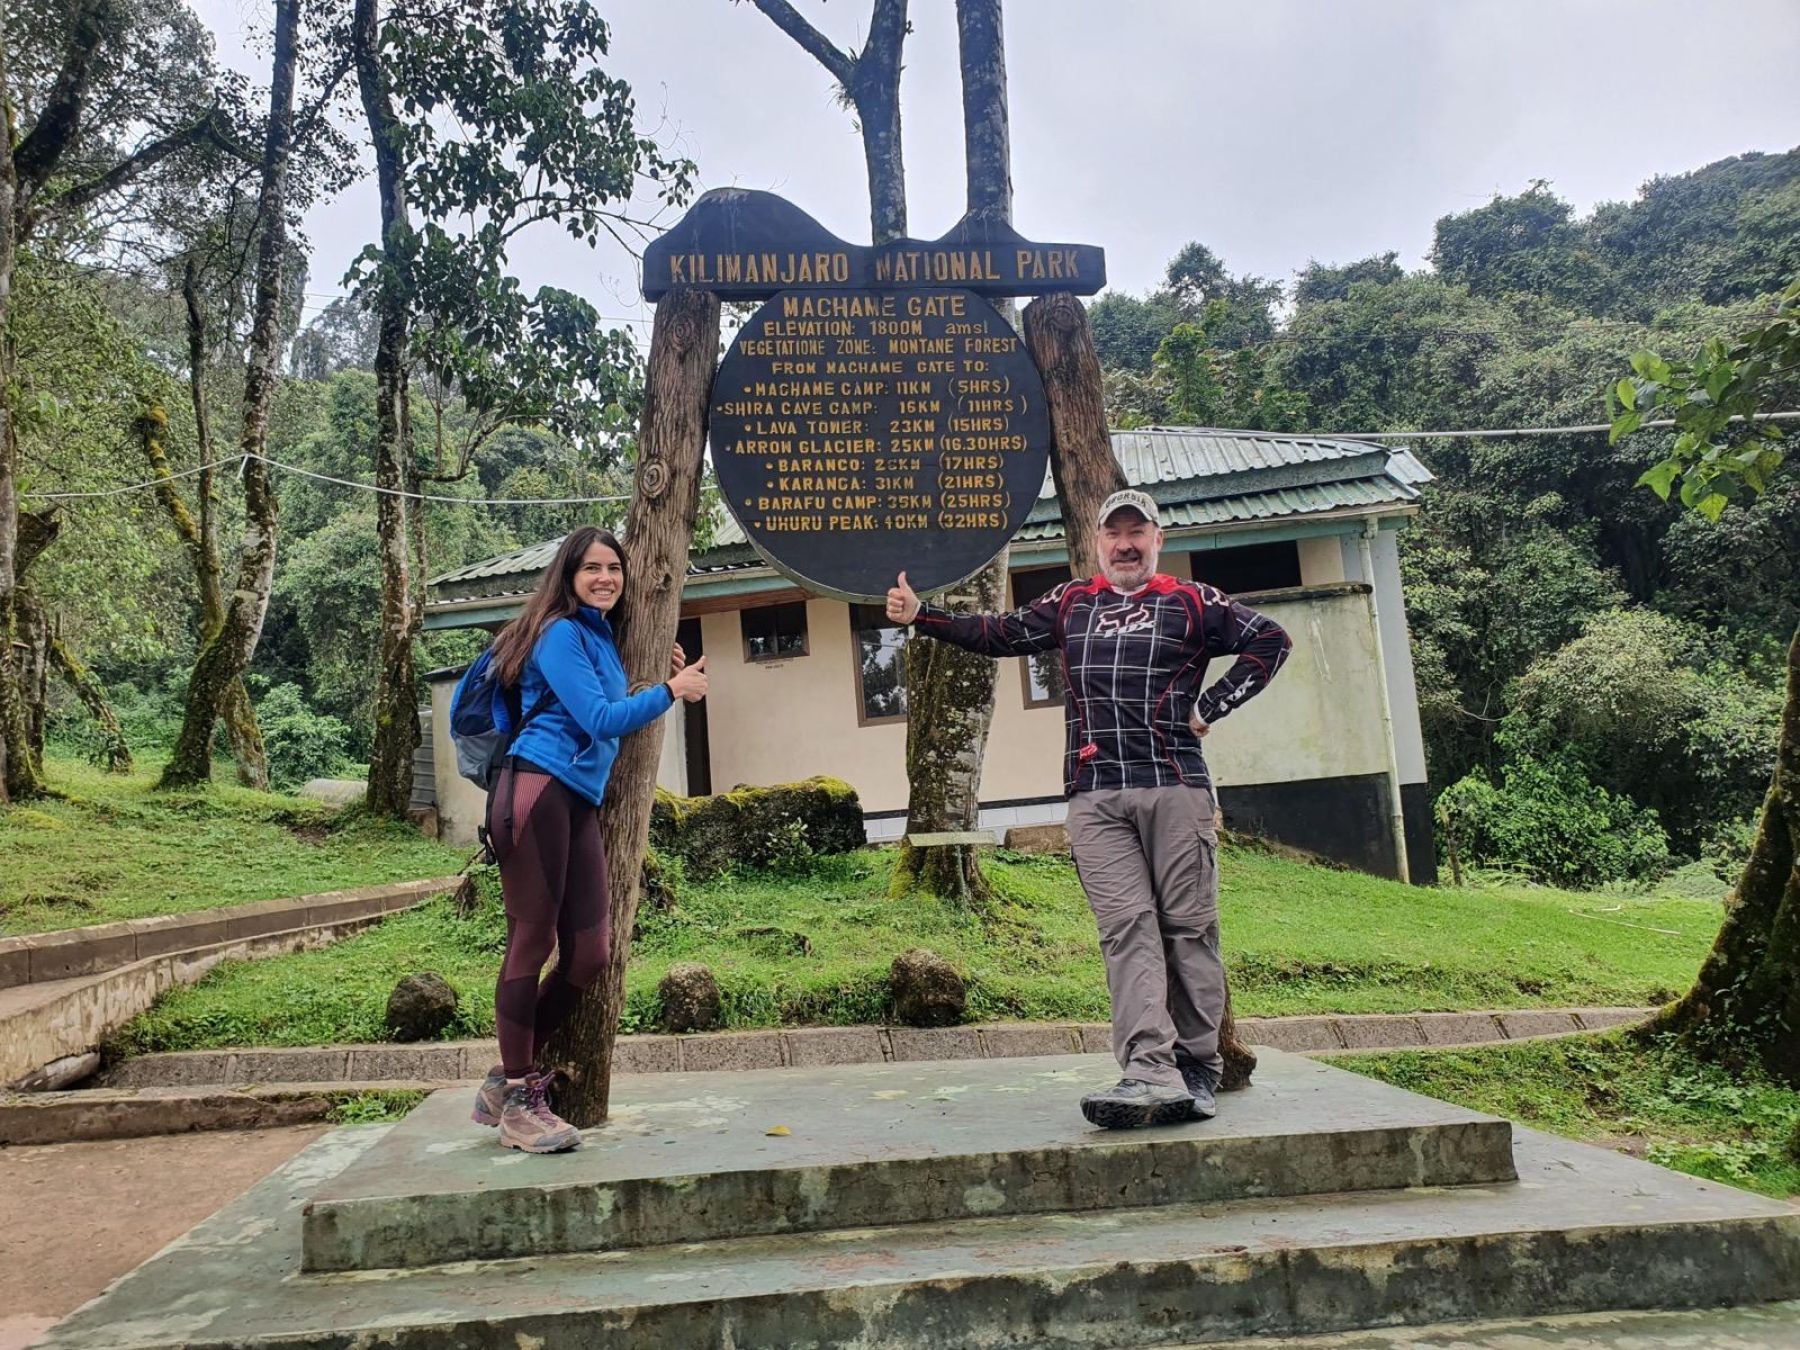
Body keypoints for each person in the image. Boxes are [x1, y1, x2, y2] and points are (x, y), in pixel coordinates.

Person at [886, 489, 1291, 1129]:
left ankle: (1196, 1067)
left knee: (1187, 929)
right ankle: (1147, 1071)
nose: (1126, 544)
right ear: (1098, 543)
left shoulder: (1192, 601)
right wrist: (922, 616)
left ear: (1158, 538)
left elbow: (1270, 640)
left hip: (1176, 786)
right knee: (1127, 928)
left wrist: (1211, 707)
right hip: (1095, 794)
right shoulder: (1073, 602)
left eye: (1138, 532)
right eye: (1114, 534)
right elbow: (1001, 632)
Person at [468, 525, 708, 1153]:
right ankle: (520, 1098)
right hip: (536, 789)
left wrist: (660, 667)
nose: (606, 578)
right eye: (592, 569)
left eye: (614, 569)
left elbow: (610, 697)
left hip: (576, 800)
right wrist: (670, 692)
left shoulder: (599, 637)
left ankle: (504, 1078)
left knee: (589, 955)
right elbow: (600, 719)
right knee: (533, 938)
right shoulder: (558, 634)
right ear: (568, 576)